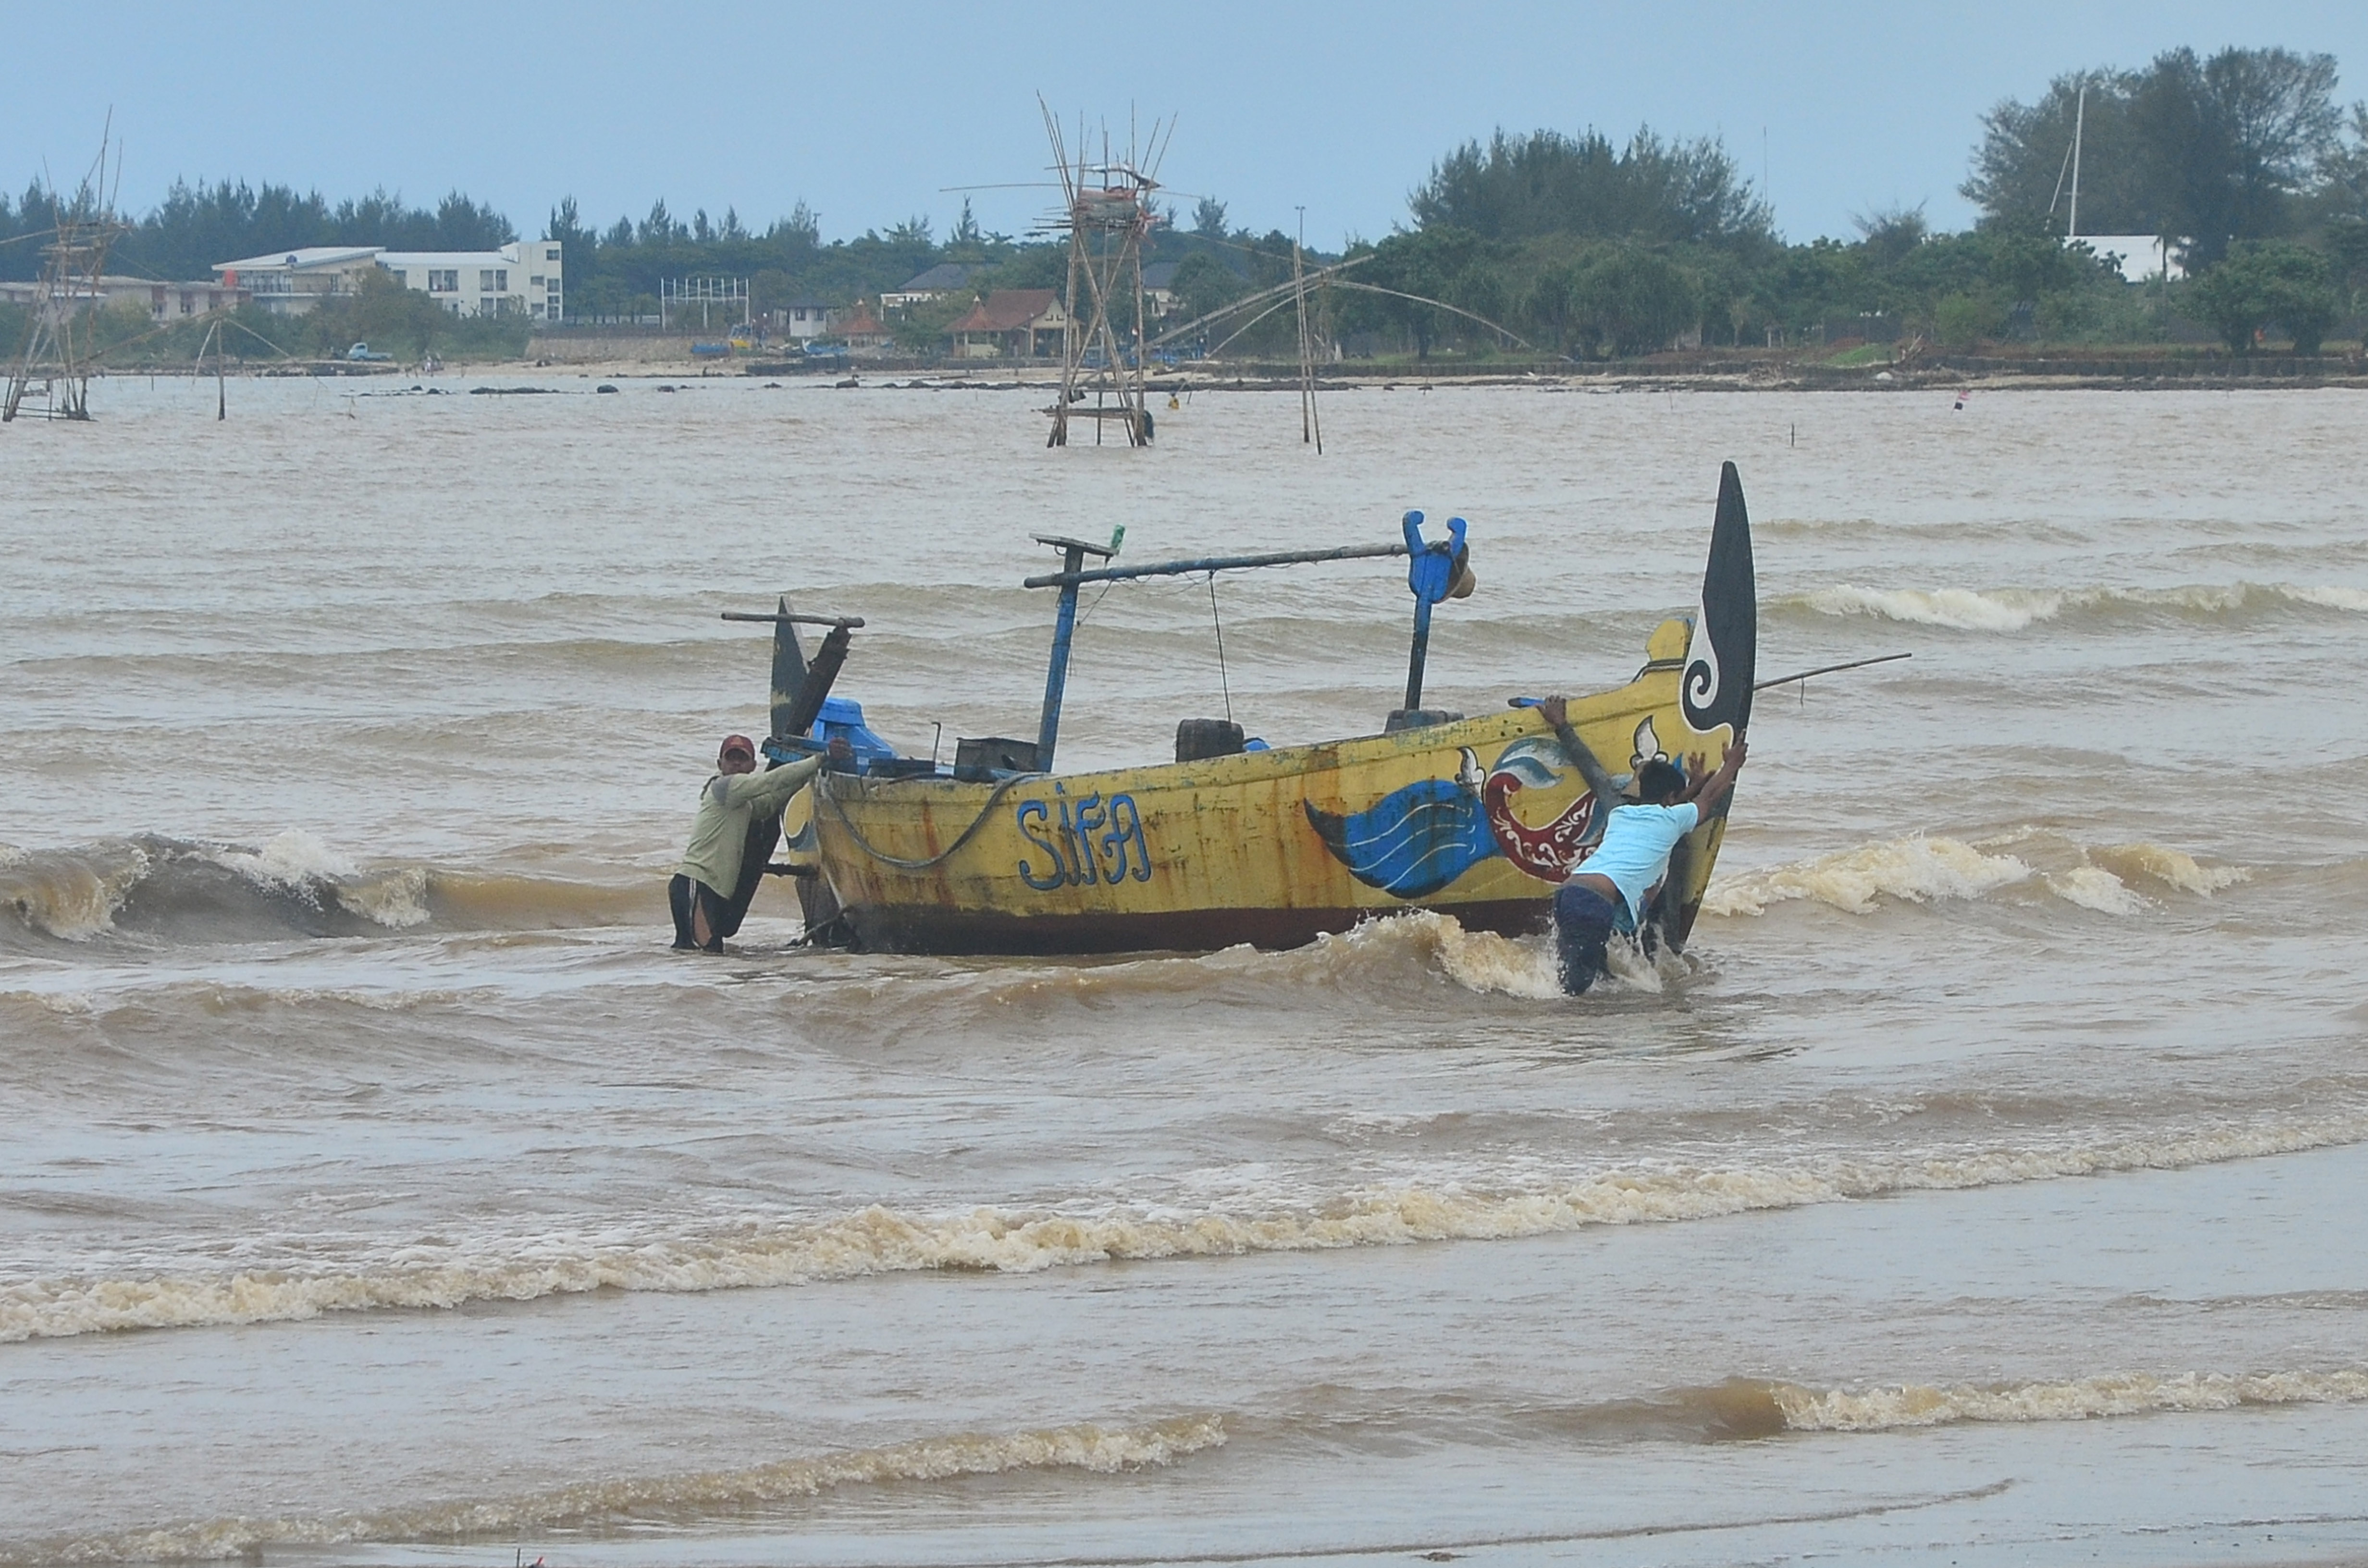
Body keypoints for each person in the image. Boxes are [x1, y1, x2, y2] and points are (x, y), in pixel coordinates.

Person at [1535, 697, 1747, 995]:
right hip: (1595, 904)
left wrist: (1562, 726)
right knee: (1575, 994)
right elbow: (1709, 799)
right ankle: (1563, 1035)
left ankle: (1573, 1033)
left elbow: (1598, 772)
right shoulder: (1670, 820)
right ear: (1671, 800)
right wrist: (1732, 765)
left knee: (1596, 980)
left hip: (1570, 895)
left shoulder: (1620, 812)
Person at [670, 734, 826, 953]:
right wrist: (819, 761)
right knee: (701, 955)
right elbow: (771, 781)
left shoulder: (743, 803)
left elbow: (770, 804)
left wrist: (803, 780)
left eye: (741, 759)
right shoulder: (725, 786)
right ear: (720, 765)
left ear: (752, 765)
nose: (735, 763)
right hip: (696, 883)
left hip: (710, 889)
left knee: (705, 956)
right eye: (730, 758)